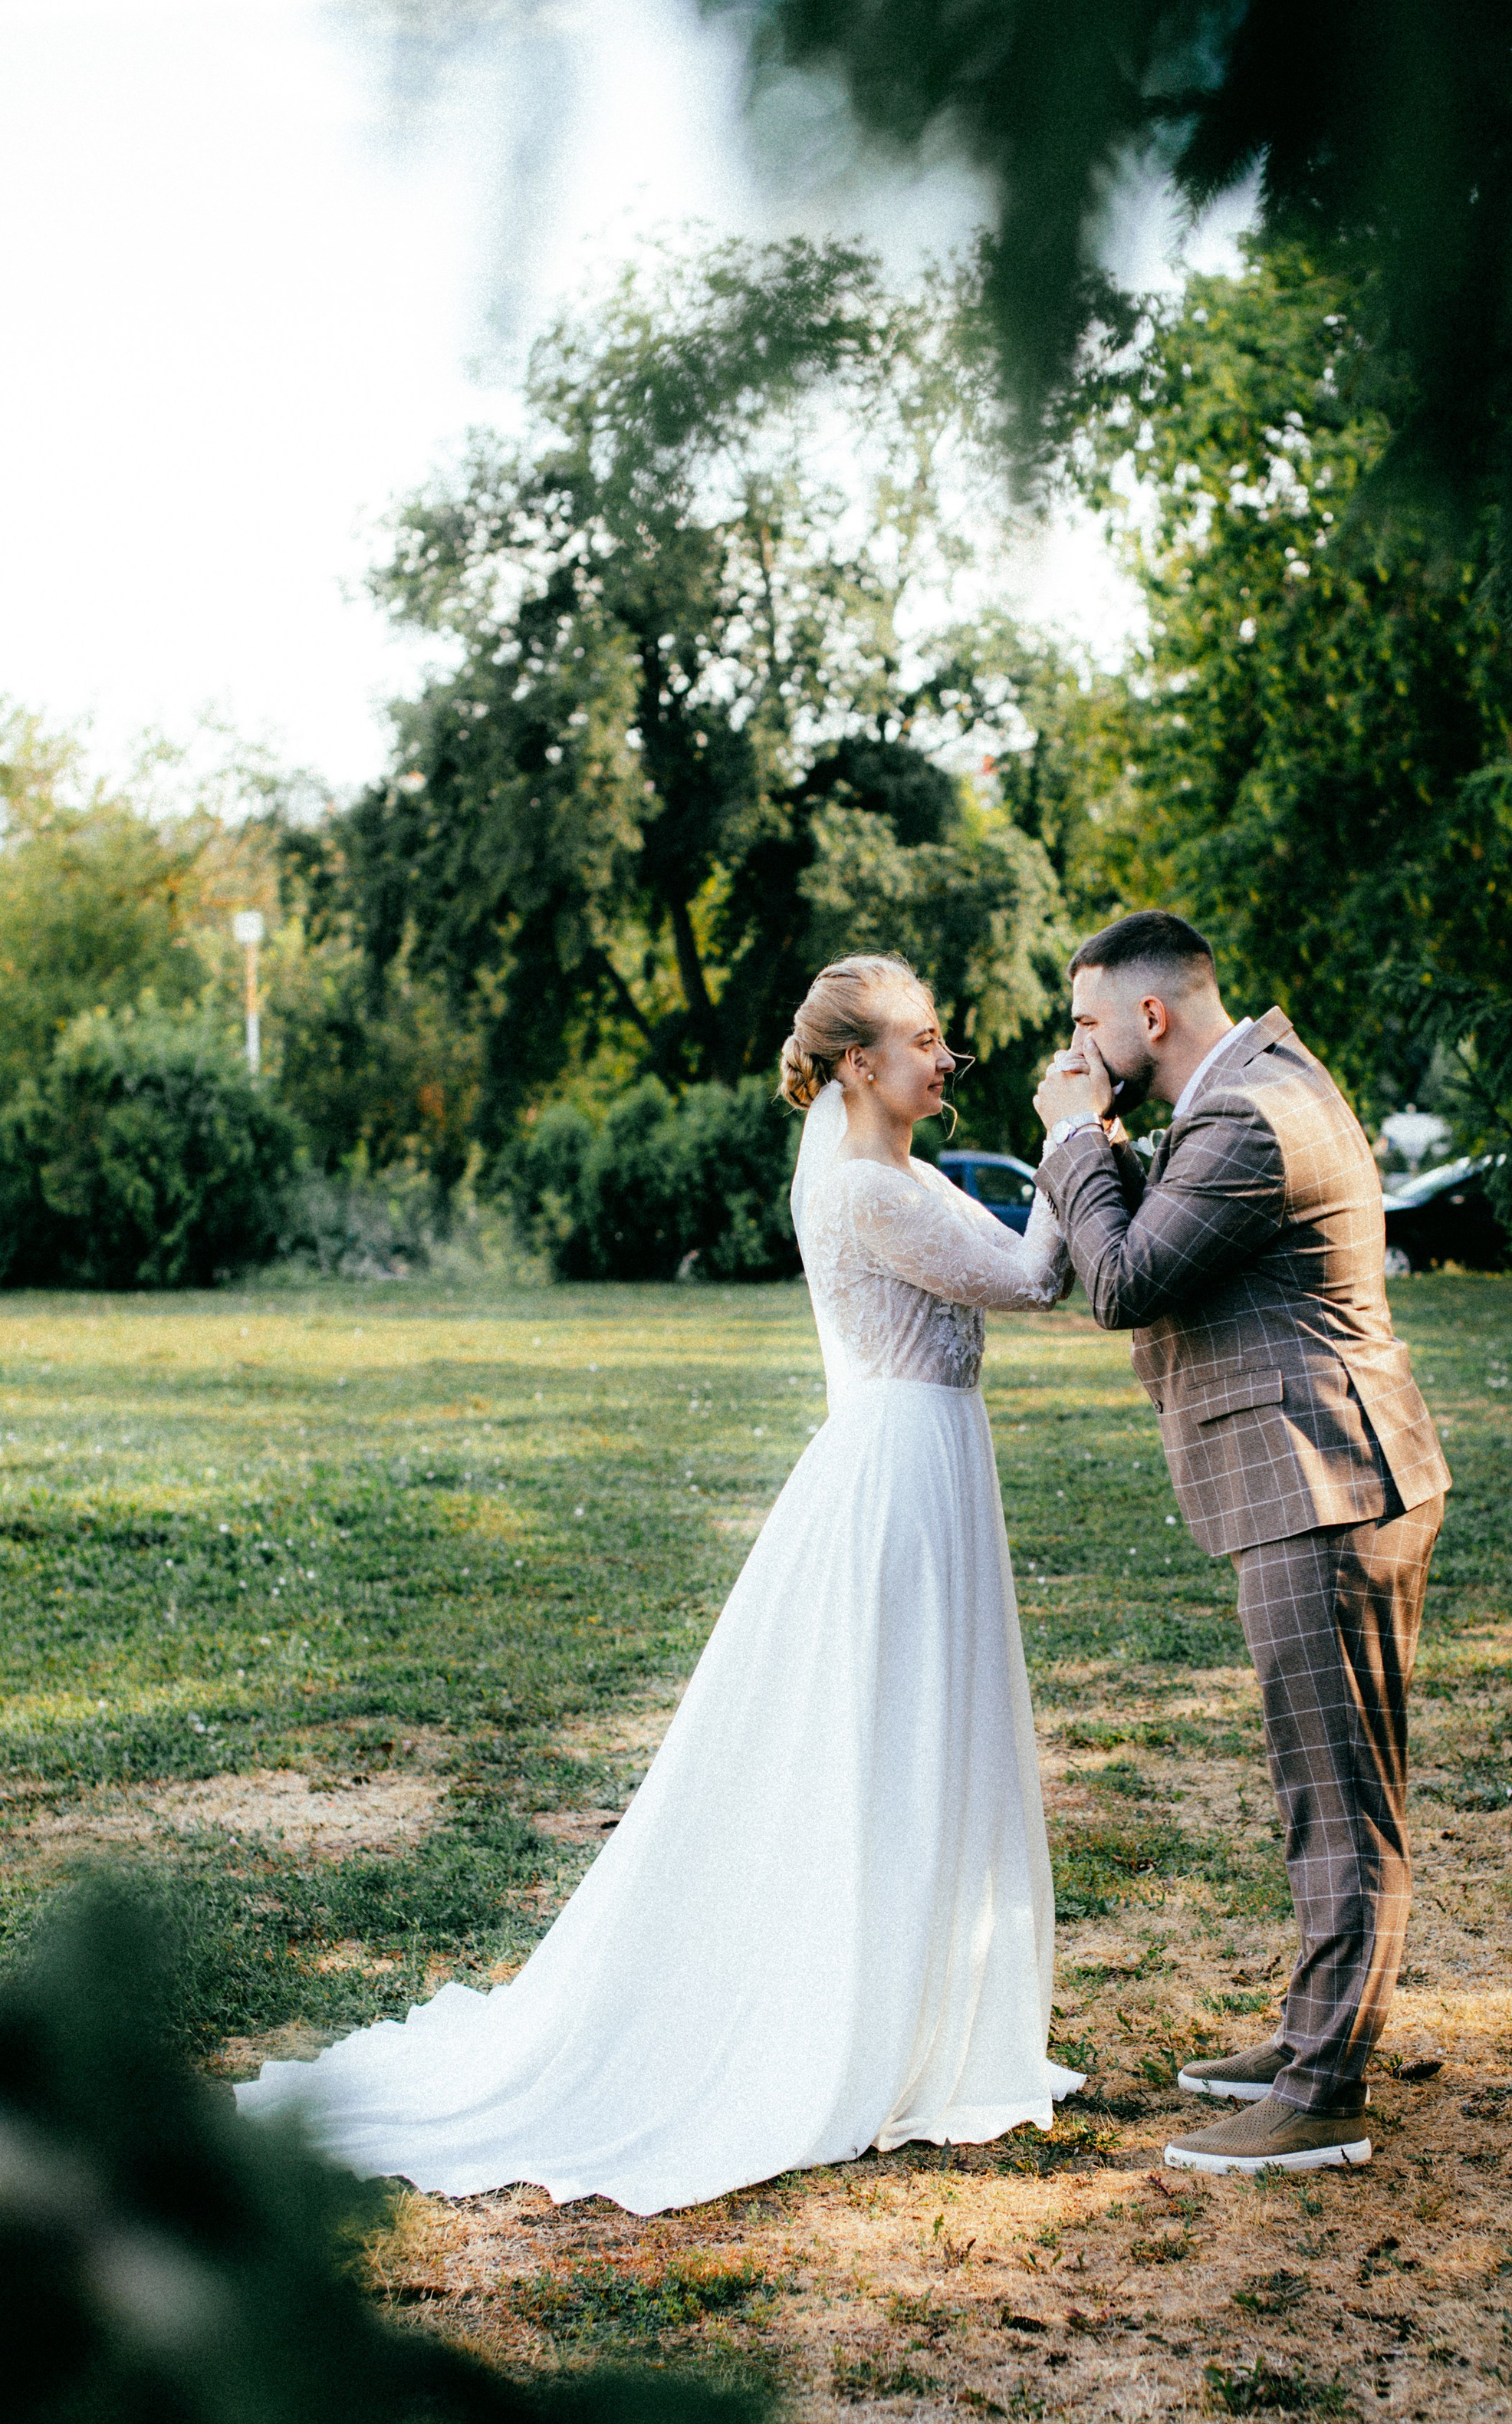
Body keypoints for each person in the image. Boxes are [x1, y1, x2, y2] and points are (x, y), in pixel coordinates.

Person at [236, 954, 1083, 2213]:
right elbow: (1033, 1278)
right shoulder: (865, 1189)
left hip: (927, 1462)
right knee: (892, 1734)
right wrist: (1073, 1140)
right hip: (901, 1477)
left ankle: (909, 2015)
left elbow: (1028, 1266)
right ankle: (854, 2022)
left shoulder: (891, 1172)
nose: (944, 1054)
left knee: (921, 1732)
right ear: (858, 1063)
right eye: (921, 1037)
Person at [1033, 910, 1450, 2177]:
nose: (1077, 1044)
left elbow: (1122, 1282)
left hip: (1320, 1482)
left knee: (1337, 1796)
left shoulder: (1247, 1117)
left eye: (1085, 1022)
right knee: (1320, 1782)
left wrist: (1066, 1140)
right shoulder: (1254, 1084)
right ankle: (1314, 2033)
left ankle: (1323, 2091)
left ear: (1147, 1018)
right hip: (1318, 1473)